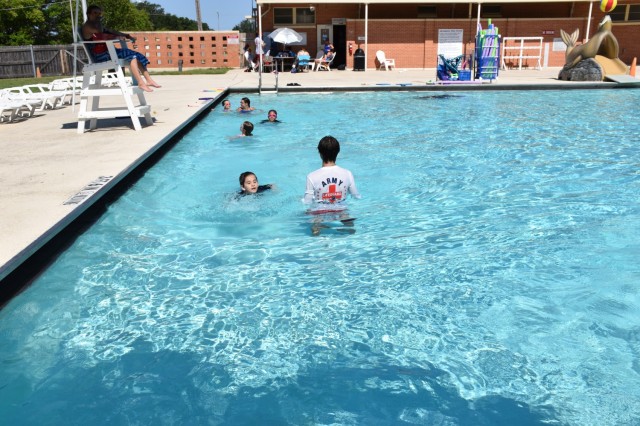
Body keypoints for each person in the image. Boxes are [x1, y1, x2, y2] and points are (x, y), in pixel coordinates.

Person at [81, 4, 160, 92]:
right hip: (100, 56)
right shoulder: (88, 26)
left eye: (99, 14)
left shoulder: (96, 24)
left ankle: (148, 80)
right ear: (88, 14)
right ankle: (141, 83)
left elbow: (111, 31)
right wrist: (116, 36)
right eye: (95, 13)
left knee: (136, 55)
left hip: (108, 53)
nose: (97, 15)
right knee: (132, 57)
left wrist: (126, 35)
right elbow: (101, 34)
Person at [303, 136, 360, 235]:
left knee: (314, 225)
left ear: (319, 153)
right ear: (338, 152)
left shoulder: (312, 176)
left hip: (319, 212)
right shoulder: (347, 173)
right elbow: (356, 196)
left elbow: (307, 202)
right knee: (350, 225)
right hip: (341, 210)